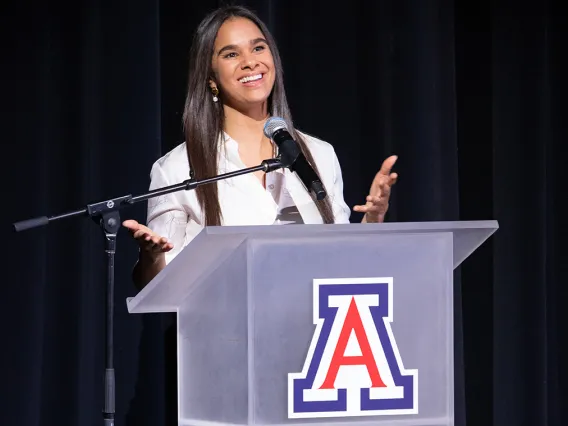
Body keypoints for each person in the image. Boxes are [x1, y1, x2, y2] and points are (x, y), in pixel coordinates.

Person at [123, 5, 398, 289]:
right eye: (231, 54)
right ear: (210, 78)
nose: (250, 62)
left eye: (258, 48)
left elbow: (342, 262)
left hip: (313, 329)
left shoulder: (318, 153)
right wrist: (151, 257)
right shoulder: (177, 168)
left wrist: (371, 220)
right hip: (225, 330)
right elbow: (159, 288)